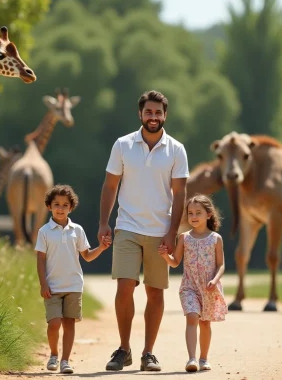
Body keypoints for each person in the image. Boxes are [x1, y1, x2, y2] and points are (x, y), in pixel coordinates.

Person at [98, 90, 189, 372]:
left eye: (158, 113)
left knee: (155, 292)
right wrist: (104, 222)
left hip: (160, 231)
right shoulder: (123, 145)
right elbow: (110, 185)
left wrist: (172, 232)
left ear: (165, 115)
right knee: (124, 287)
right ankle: (123, 349)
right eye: (148, 112)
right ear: (140, 114)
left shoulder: (176, 149)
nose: (153, 117)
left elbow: (180, 193)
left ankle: (148, 352)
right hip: (127, 226)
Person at [35, 184, 111, 374]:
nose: (60, 208)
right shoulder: (44, 232)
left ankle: (65, 361)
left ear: (71, 207)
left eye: (65, 205)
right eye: (56, 204)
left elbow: (86, 255)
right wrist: (43, 283)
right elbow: (40, 259)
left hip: (74, 286)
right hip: (52, 286)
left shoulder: (77, 230)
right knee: (54, 324)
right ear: (49, 206)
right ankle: (53, 354)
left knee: (69, 324)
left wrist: (101, 248)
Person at [158, 193, 227, 372]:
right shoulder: (184, 237)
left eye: (198, 213)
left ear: (208, 215)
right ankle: (192, 359)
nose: (193, 217)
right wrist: (166, 255)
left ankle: (204, 359)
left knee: (205, 323)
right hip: (189, 287)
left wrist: (215, 279)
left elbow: (221, 265)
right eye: (190, 213)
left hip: (209, 288)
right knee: (192, 317)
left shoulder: (215, 239)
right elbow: (175, 262)